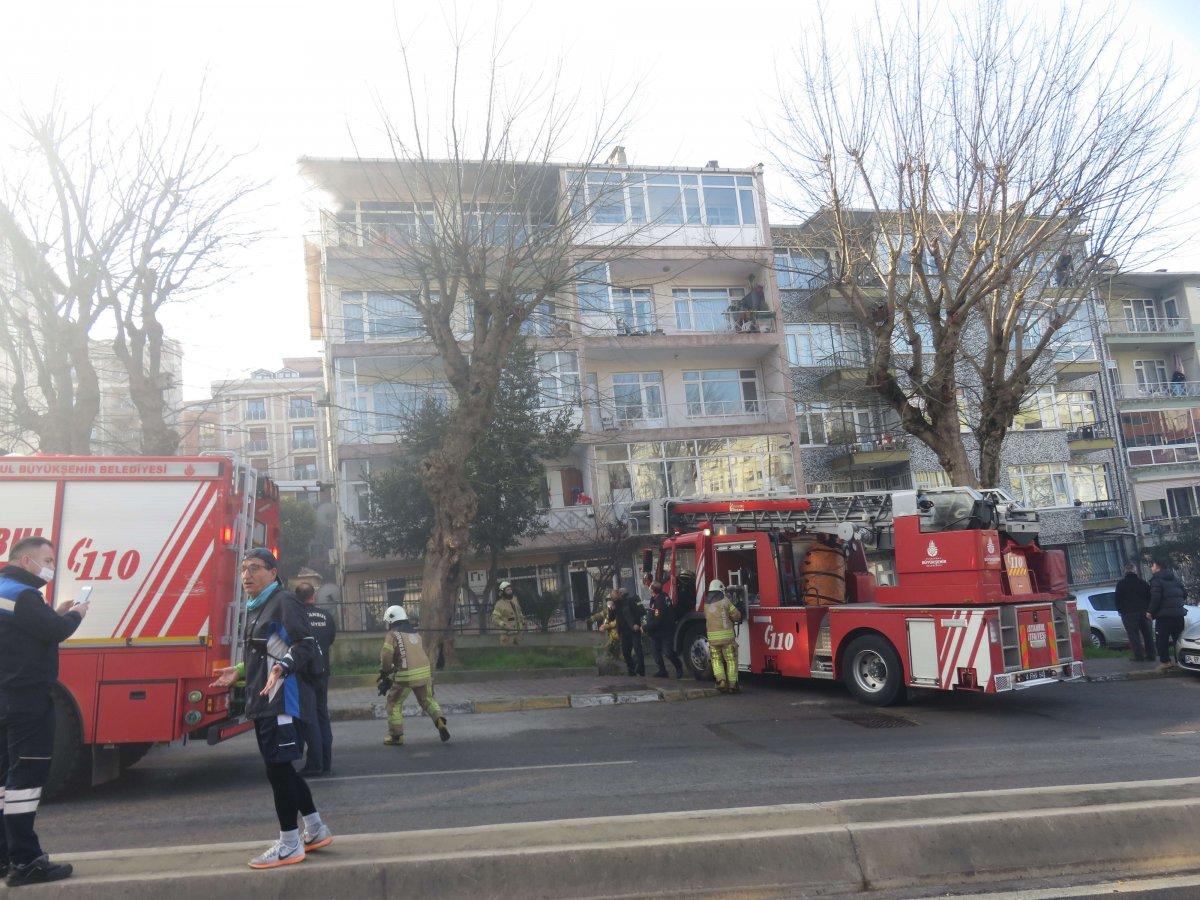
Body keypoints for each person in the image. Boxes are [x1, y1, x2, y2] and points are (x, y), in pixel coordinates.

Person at [211, 549, 333, 870]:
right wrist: (238, 670)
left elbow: (304, 644)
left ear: (273, 572)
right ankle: (316, 828)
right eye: (243, 570)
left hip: (282, 698)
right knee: (282, 768)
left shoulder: (283, 601)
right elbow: (271, 647)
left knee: (277, 770)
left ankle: (290, 843)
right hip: (266, 699)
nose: (246, 576)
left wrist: (283, 668)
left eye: (254, 569)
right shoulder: (258, 606)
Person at [0, 537, 88, 887]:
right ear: (25, 560)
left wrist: (54, 613)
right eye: (47, 559)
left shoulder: (5, 590)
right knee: (25, 780)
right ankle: (26, 862)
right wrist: (75, 614)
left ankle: (6, 855)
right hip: (27, 698)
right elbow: (54, 631)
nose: (51, 566)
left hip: (6, 695)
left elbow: (25, 631)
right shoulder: (22, 595)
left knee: (6, 780)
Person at [377, 606, 450, 746]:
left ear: (392, 620)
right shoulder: (415, 634)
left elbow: (386, 656)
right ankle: (439, 720)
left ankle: (396, 736)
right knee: (428, 700)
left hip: (406, 676)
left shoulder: (393, 635)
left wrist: (384, 672)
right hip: (424, 672)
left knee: (394, 703)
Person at [296, 583, 335, 777]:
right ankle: (326, 762)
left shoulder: (298, 616)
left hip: (304, 672)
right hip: (323, 671)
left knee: (309, 718)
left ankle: (314, 764)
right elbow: (330, 640)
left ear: (297, 598)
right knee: (322, 715)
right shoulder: (326, 616)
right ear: (313, 596)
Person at [1148, 556, 1188, 671]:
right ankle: (1179, 661)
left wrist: (1150, 611)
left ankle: (1166, 662)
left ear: (1157, 566)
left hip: (1164, 616)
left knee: (1161, 640)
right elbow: (1184, 593)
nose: (1151, 568)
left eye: (1152, 565)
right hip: (1179, 614)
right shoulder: (1175, 579)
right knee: (1178, 639)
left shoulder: (1156, 580)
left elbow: (1156, 598)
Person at [705, 579, 743, 693]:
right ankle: (733, 685)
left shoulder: (706, 604)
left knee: (716, 660)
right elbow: (736, 615)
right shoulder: (725, 601)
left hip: (712, 639)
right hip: (727, 638)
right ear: (721, 589)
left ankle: (721, 681)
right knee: (731, 660)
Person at [1114, 562, 1153, 662]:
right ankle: (1151, 655)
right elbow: (1150, 597)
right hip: (1144, 612)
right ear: (1135, 571)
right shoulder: (1143, 583)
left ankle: (1139, 656)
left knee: (1133, 635)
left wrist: (1120, 610)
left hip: (1128, 613)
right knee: (1147, 634)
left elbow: (1117, 599)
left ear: (1125, 572)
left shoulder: (1121, 584)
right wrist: (1149, 610)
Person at [645, 581, 683, 679]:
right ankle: (662, 671)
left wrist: (645, 627)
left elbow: (658, 619)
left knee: (668, 652)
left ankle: (679, 667)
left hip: (664, 631)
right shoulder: (656, 598)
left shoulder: (660, 601)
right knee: (655, 652)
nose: (649, 589)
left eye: (650, 588)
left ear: (653, 590)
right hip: (655, 632)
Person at [586, 595, 622, 672]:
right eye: (607, 600)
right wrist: (590, 620)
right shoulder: (607, 611)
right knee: (609, 650)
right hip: (611, 636)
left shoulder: (618, 610)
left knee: (618, 652)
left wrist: (605, 626)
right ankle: (613, 667)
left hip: (619, 635)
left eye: (610, 600)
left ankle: (621, 668)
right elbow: (599, 615)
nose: (609, 603)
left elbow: (617, 622)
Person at [615, 588, 645, 677]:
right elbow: (613, 616)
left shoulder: (632, 601)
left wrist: (636, 624)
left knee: (637, 650)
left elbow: (639, 613)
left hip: (633, 630)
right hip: (624, 632)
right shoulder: (617, 604)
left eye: (620, 593)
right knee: (625, 652)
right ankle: (631, 670)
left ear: (623, 594)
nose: (619, 595)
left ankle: (641, 671)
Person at [491, 582, 525, 646]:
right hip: (507, 635)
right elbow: (494, 619)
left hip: (518, 633)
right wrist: (503, 624)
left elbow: (519, 612)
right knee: (508, 654)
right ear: (502, 592)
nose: (510, 591)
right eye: (508, 590)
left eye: (510, 589)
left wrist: (523, 622)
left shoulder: (515, 600)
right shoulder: (499, 604)